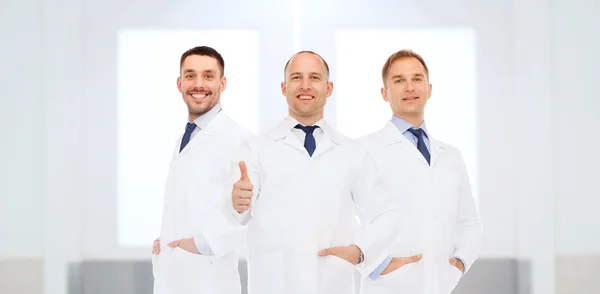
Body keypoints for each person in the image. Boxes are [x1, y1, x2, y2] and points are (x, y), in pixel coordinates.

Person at [223, 50, 401, 294]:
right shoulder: (255, 149)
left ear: (329, 88)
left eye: (315, 78)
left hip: (332, 284)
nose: (305, 86)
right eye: (296, 77)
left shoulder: (353, 152)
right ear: (284, 87)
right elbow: (236, 216)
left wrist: (360, 251)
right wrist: (238, 203)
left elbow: (386, 215)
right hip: (274, 284)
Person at [358, 49, 483, 294]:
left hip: (440, 286)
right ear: (385, 93)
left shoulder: (450, 156)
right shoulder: (364, 150)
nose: (409, 87)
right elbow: (341, 220)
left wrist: (459, 264)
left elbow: (469, 223)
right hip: (388, 287)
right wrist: (376, 264)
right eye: (398, 80)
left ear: (429, 89)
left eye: (417, 79)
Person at [151, 45, 252, 294]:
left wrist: (200, 244)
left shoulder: (240, 141)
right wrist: (163, 239)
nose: (198, 84)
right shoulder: (185, 138)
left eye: (208, 76)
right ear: (179, 83)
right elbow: (190, 201)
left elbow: (251, 214)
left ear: (222, 83)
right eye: (190, 75)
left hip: (208, 279)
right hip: (172, 276)